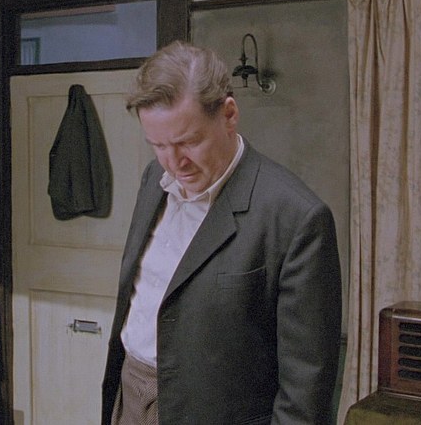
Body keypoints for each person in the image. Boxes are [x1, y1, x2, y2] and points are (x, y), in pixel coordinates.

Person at [101, 40, 342, 425]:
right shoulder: (154, 178)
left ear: (229, 114)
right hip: (130, 394)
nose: (174, 162)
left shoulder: (296, 218)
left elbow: (305, 390)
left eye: (188, 142)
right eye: (158, 145)